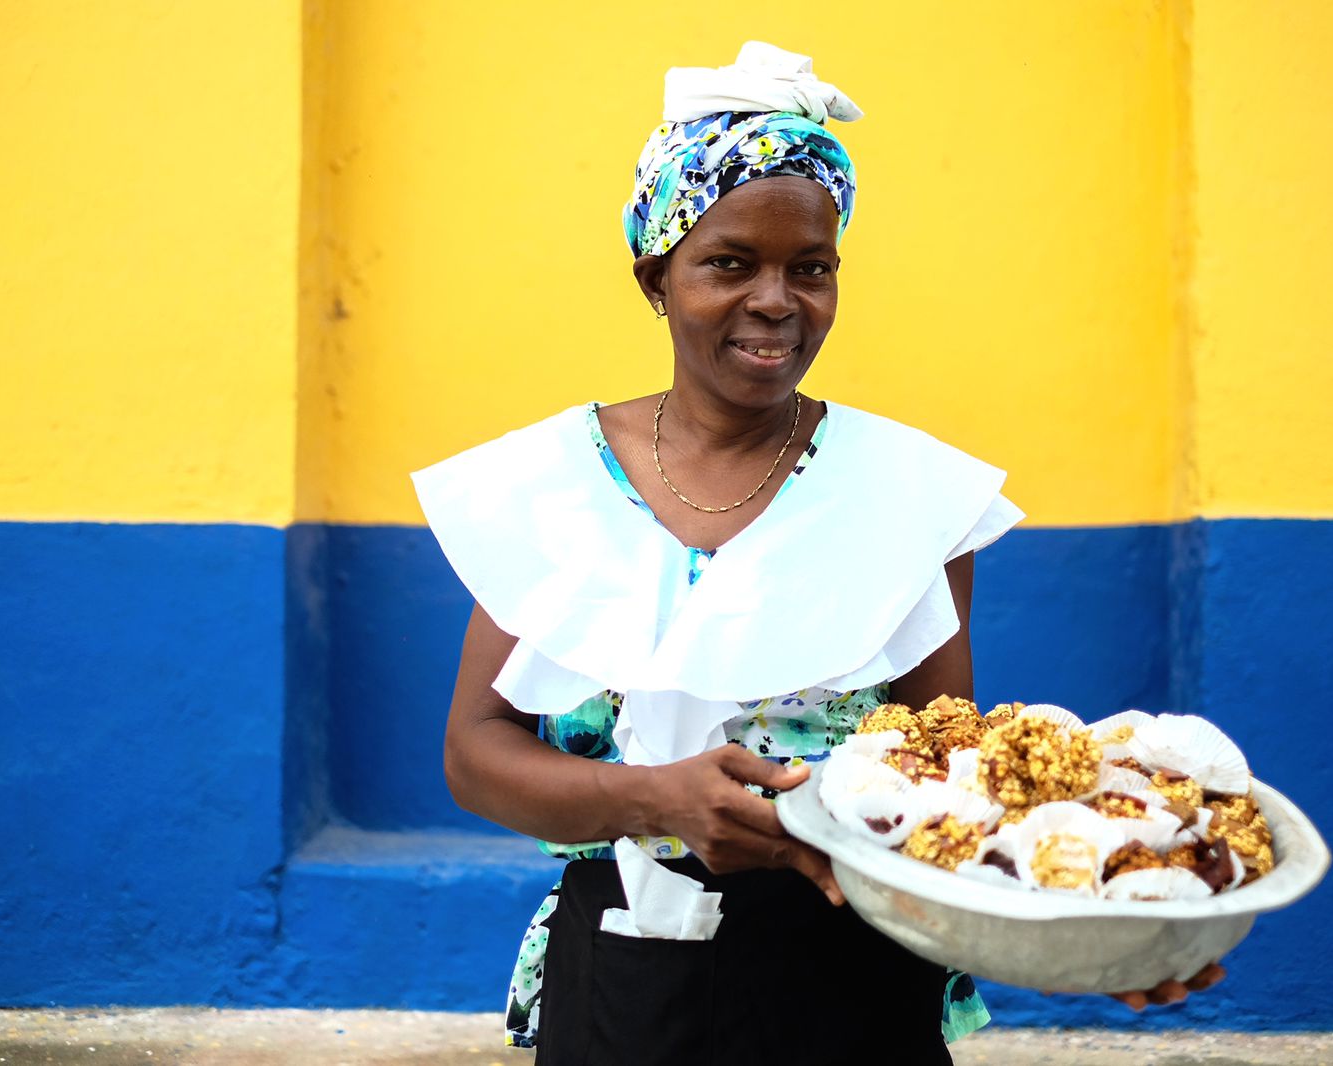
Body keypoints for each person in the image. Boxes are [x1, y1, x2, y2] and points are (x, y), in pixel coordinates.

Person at [413, 41, 1220, 1066]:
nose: (776, 301)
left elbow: (948, 785)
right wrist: (651, 797)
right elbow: (476, 753)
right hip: (616, 974)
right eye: (729, 263)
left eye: (812, 267)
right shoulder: (553, 485)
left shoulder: (907, 496)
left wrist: (1107, 920)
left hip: (848, 975)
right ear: (657, 276)